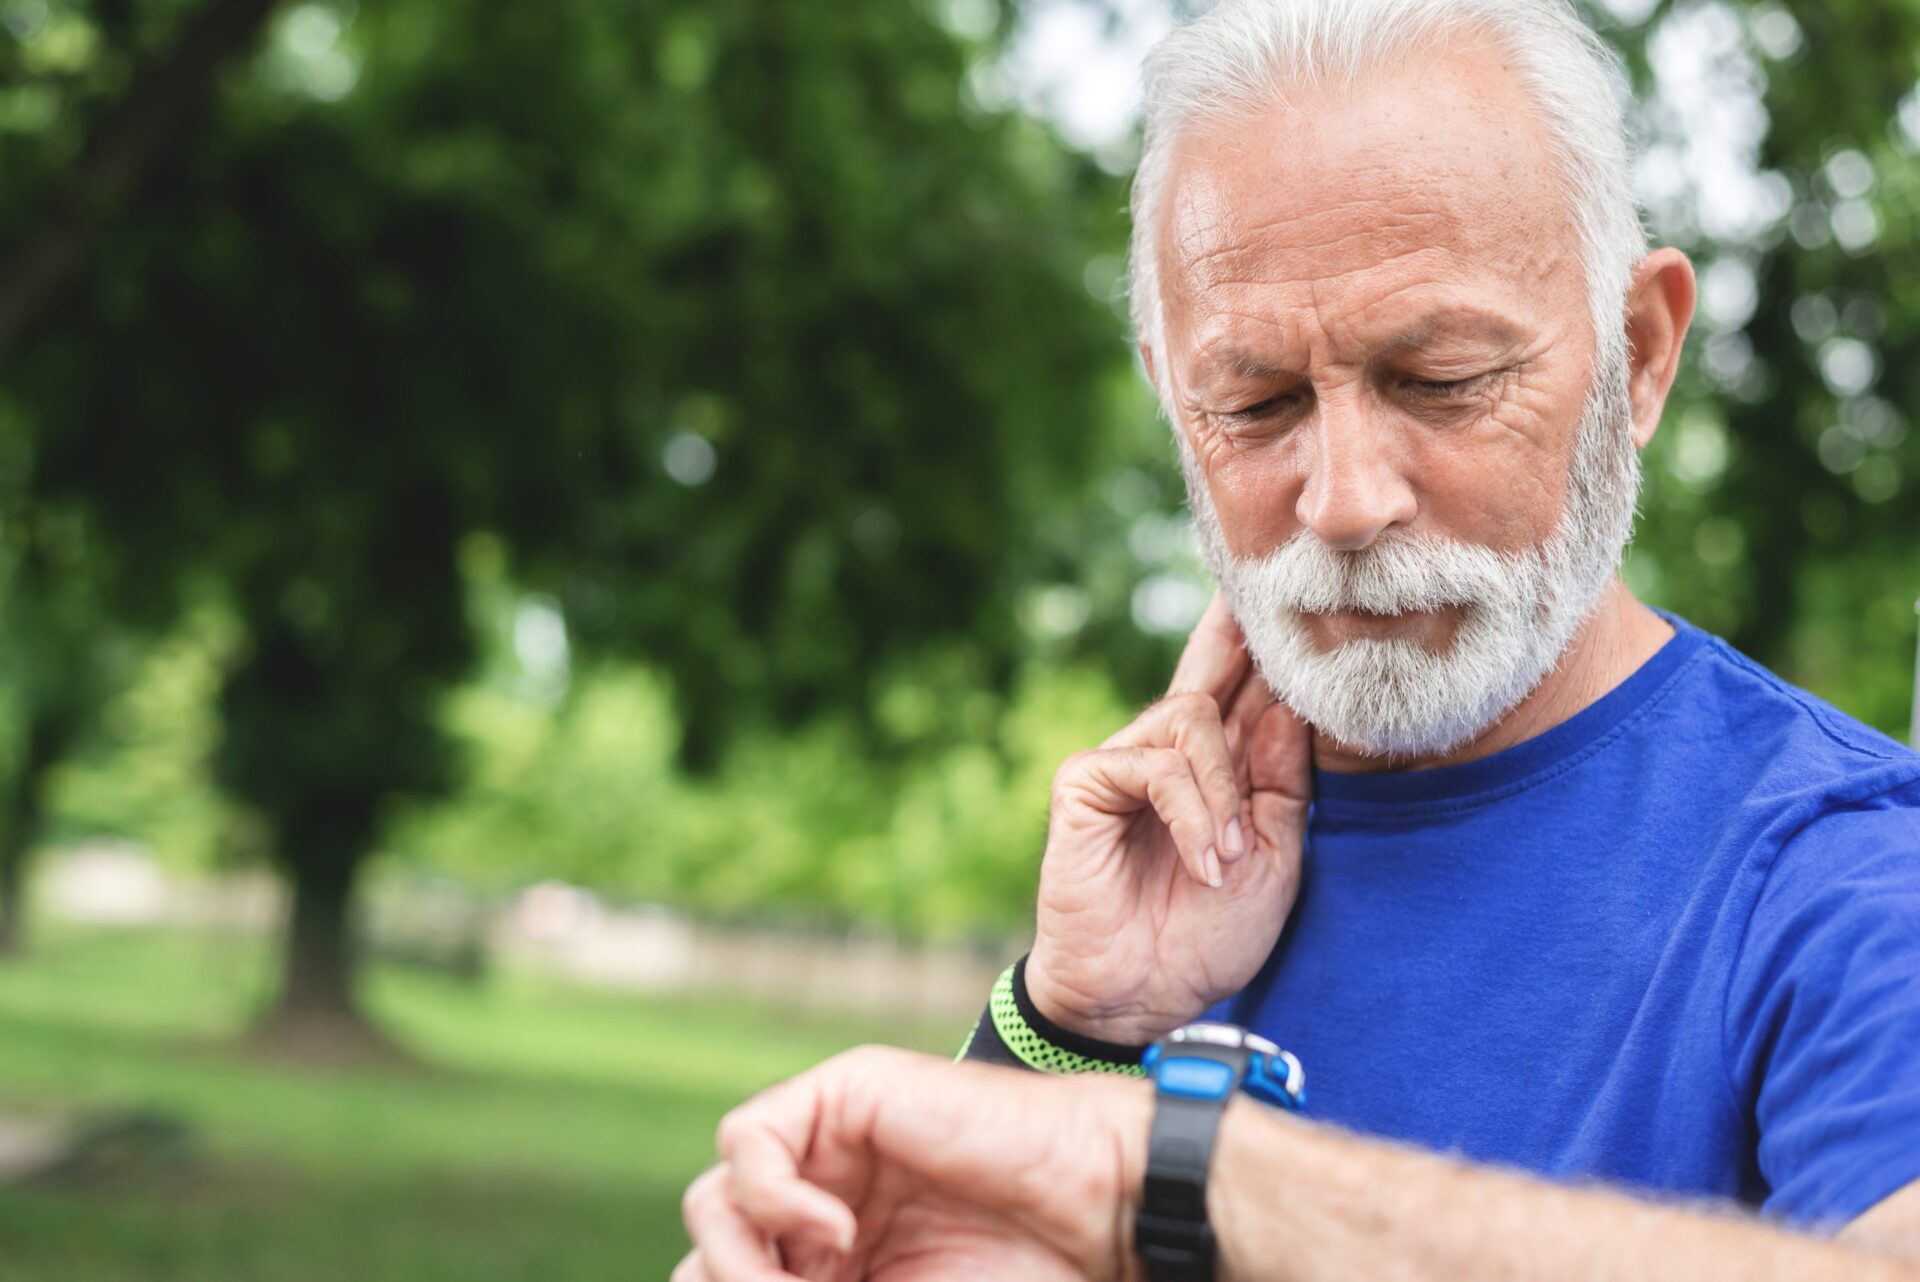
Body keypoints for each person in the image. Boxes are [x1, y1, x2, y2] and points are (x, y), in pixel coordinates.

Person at [677, 0, 1920, 1276]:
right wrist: (1070, 1023)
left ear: (1640, 354)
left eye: (1441, 380)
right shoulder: (1170, 877)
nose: (1342, 501)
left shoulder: (1849, 877)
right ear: (1171, 394)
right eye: (1257, 402)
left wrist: (1178, 1173)